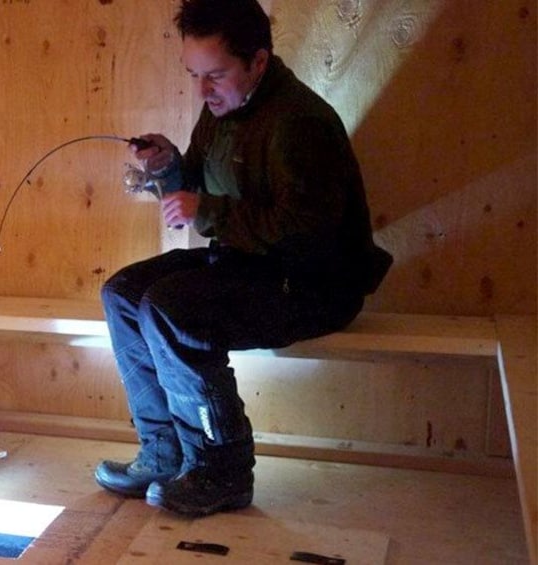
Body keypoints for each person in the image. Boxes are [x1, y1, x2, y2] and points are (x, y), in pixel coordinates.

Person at [95, 0, 392, 517]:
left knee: (170, 307)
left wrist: (207, 212)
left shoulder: (301, 123)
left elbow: (305, 232)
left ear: (257, 62)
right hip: (249, 263)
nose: (202, 90)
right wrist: (170, 169)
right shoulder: (224, 111)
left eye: (215, 75)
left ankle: (221, 469)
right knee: (122, 294)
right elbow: (201, 187)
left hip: (313, 283)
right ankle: (166, 454)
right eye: (193, 75)